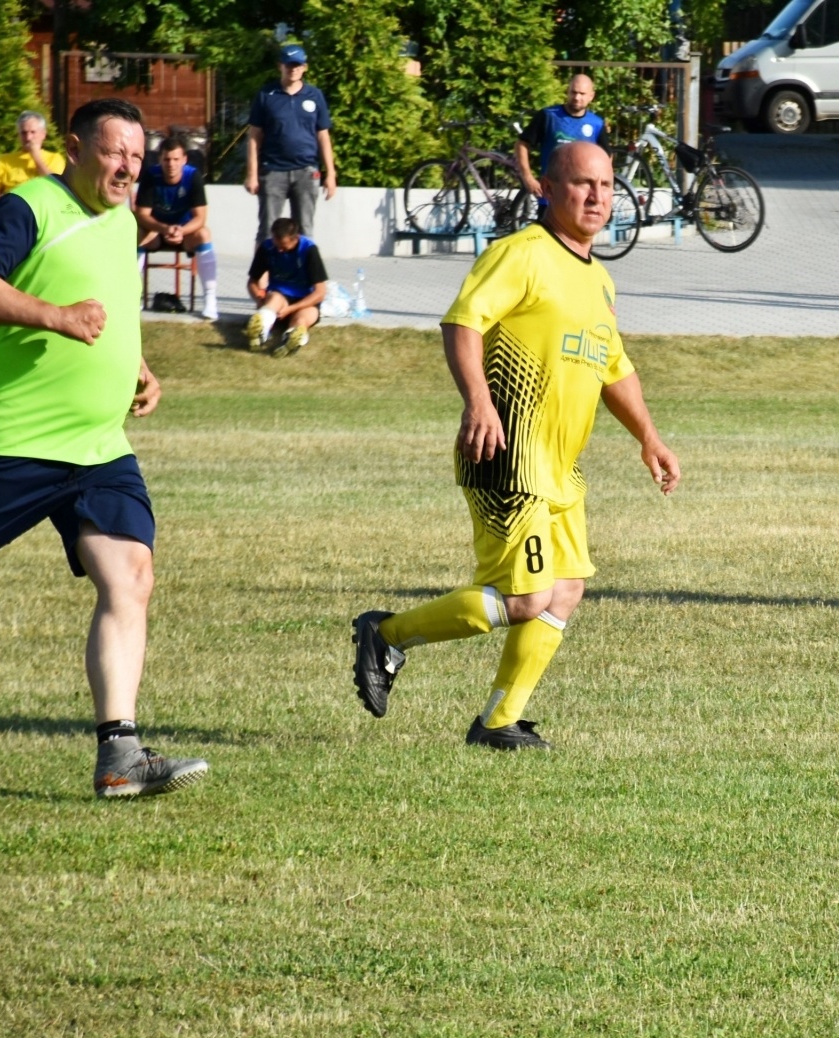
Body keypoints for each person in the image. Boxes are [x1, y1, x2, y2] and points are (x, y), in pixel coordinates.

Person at [350, 141, 681, 751]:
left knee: (566, 590)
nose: (596, 197)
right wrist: (478, 400)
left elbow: (615, 367)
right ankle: (388, 635)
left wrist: (650, 438)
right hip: (507, 455)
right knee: (527, 597)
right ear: (548, 190)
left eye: (606, 186)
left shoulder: (599, 278)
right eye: (582, 184)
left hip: (560, 470)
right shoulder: (520, 255)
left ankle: (500, 721)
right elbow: (462, 323)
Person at [0, 98, 208, 797]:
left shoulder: (121, 220)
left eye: (138, 157)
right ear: (76, 149)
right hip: (15, 440)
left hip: (99, 447)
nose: (128, 168)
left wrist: (136, 368)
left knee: (130, 577)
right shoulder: (31, 207)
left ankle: (120, 756)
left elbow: (105, 305)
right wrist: (54, 318)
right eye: (115, 152)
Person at [245, 44, 336, 240]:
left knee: (304, 230)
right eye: (289, 65)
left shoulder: (315, 95)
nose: (293, 69)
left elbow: (323, 135)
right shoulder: (266, 95)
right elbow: (254, 136)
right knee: (268, 231)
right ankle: (262, 271)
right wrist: (252, 174)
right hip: (273, 170)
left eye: (297, 65)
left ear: (304, 67)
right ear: (280, 66)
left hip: (306, 170)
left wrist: (331, 173)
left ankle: (302, 271)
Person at [135, 135, 220, 321]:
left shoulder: (193, 176)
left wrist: (181, 231)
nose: (171, 164)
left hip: (185, 233)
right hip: (157, 231)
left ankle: (210, 299)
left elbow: (200, 218)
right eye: (166, 159)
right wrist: (165, 229)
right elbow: (142, 215)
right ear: (160, 159)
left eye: (175, 159)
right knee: (136, 233)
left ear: (184, 160)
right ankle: (132, 296)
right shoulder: (151, 175)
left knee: (204, 234)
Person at [515, 74, 608, 209]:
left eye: (582, 94)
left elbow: (607, 157)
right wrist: (528, 178)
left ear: (591, 96)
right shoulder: (548, 116)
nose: (577, 97)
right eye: (573, 92)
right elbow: (522, 144)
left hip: (583, 202)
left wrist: (601, 189)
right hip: (550, 199)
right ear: (567, 91)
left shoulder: (597, 124)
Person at [245, 217, 327, 357]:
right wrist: (258, 297)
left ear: (295, 238)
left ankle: (292, 339)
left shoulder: (309, 249)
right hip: (279, 295)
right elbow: (252, 281)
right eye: (276, 245)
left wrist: (291, 309)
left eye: (283, 245)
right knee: (274, 299)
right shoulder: (267, 247)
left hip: (305, 299)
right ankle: (260, 329)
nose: (279, 250)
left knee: (302, 319)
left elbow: (320, 292)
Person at [0, 111, 66, 203]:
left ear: (43, 134)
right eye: (24, 133)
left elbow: (57, 186)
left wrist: (35, 156)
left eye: (33, 132)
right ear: (18, 135)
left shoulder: (55, 158)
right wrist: (6, 204)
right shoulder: (4, 160)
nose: (28, 137)